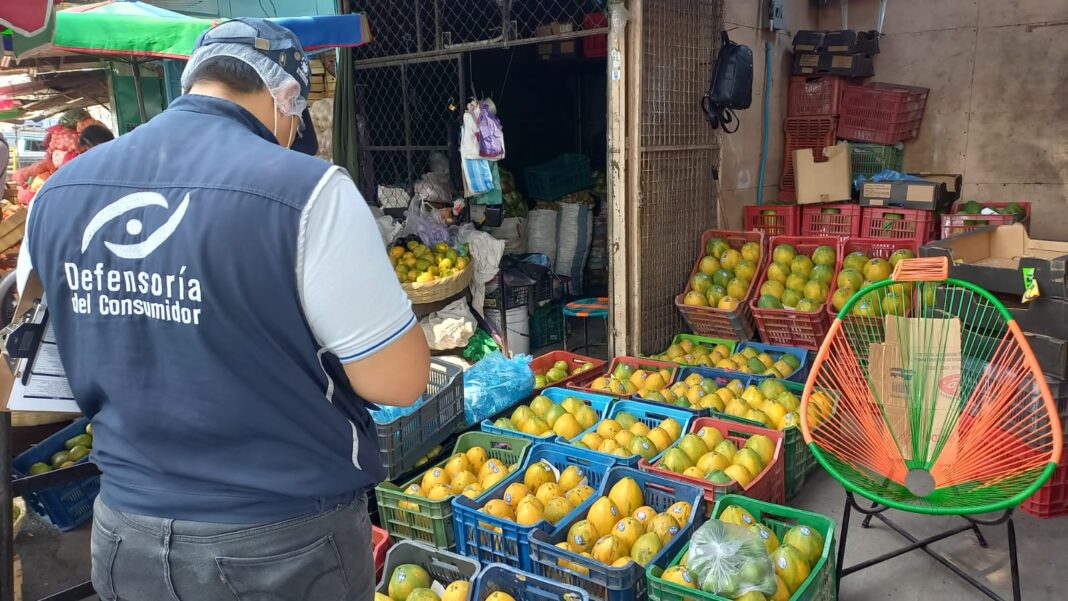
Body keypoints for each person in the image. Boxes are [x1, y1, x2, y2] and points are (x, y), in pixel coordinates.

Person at [17, 18, 429, 601]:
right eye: (297, 114)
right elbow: (399, 381)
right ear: (287, 95)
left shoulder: (57, 194)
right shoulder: (308, 191)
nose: (294, 131)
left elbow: (39, 370)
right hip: (280, 545)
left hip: (125, 535)